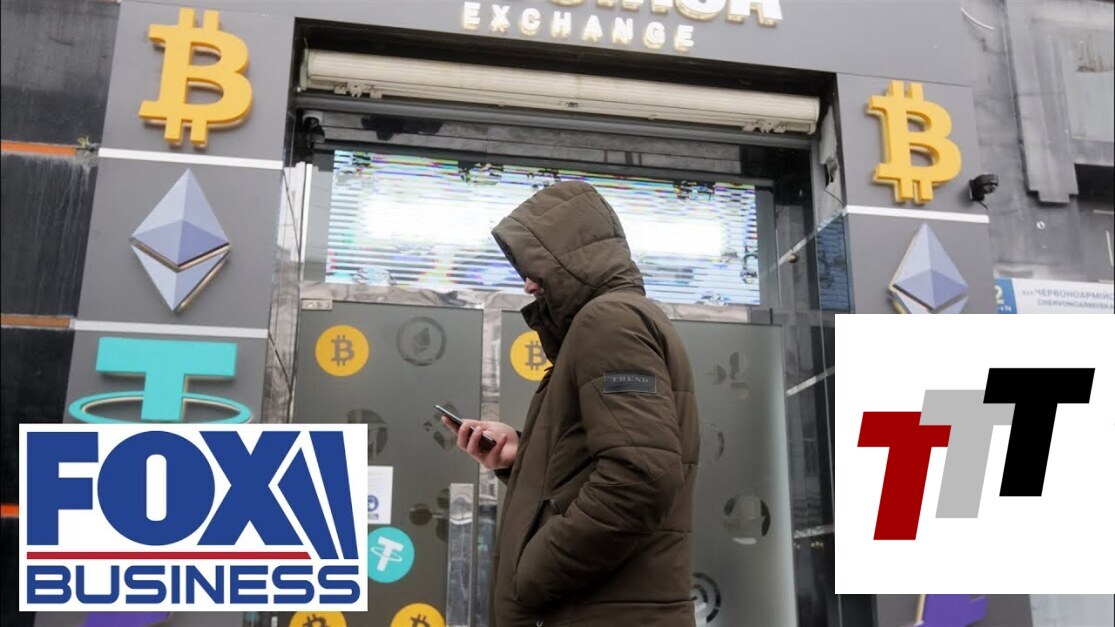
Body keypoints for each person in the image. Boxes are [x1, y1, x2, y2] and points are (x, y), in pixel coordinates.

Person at [442, 181, 700, 626]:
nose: (528, 283)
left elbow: (640, 478)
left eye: (535, 265)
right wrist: (522, 456)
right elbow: (625, 458)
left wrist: (531, 573)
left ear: (569, 259)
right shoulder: (613, 322)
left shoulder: (609, 321)